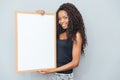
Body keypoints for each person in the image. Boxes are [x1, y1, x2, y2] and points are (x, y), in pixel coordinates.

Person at [36, 3, 87, 80]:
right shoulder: (58, 32)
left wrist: (51, 70)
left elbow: (75, 63)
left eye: (65, 17)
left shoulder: (76, 35)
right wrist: (38, 15)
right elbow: (39, 32)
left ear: (72, 17)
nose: (61, 21)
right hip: (51, 74)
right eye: (59, 19)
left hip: (65, 77)